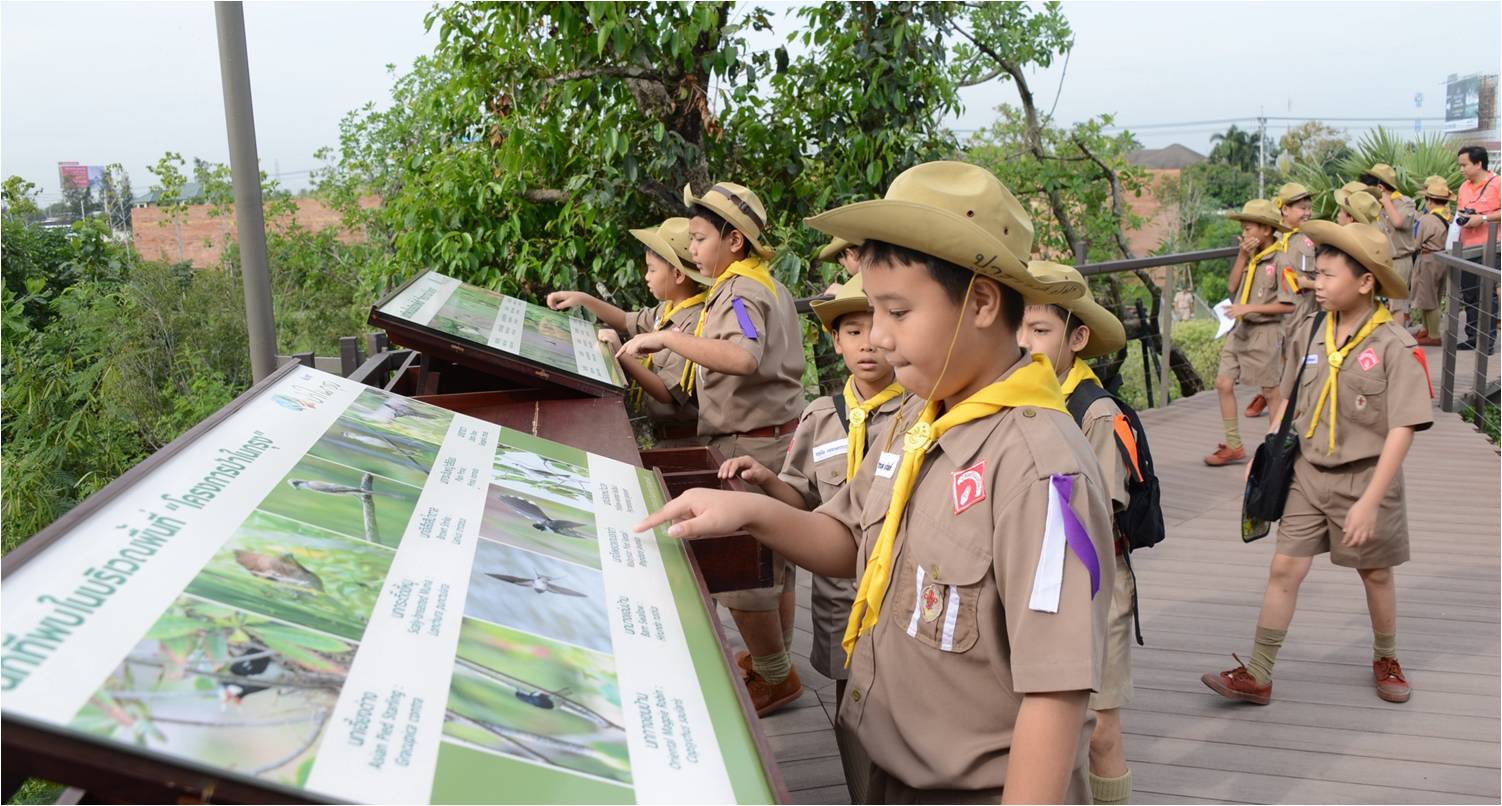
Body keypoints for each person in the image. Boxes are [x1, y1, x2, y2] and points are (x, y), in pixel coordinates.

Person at [636, 161, 1116, 803]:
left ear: (980, 302)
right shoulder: (917, 415)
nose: (881, 339)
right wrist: (749, 515)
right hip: (887, 763)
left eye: (897, 311)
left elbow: (1056, 692)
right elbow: (848, 537)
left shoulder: (1040, 468)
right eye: (870, 313)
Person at [1203, 219, 1432, 707]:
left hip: (1367, 477)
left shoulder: (1394, 345)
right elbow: (1285, 399)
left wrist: (1371, 501)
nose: (1316, 284)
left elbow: (1402, 428)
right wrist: (1265, 453)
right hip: (1307, 473)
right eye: (1317, 274)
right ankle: (1259, 671)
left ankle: (1386, 656)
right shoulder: (1308, 331)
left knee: (1376, 574)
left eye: (1328, 276)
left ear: (1365, 282)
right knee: (1284, 567)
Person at [618, 182, 808, 716]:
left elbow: (743, 359)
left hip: (748, 445)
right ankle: (775, 663)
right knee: (775, 561)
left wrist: (668, 340)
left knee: (745, 570)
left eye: (700, 239)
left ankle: (776, 676)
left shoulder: (741, 291)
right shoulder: (753, 284)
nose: (694, 249)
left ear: (735, 241)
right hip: (770, 437)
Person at [716, 273, 906, 801]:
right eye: (852, 331)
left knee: (908, 707)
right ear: (836, 341)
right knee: (851, 711)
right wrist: (766, 480)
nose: (866, 343)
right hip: (842, 596)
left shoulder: (919, 413)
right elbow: (803, 499)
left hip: (902, 592)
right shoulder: (822, 417)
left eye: (876, 328)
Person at [1016, 261, 1135, 806]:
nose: (1025, 342)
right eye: (1018, 328)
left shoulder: (1096, 412)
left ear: (1078, 337)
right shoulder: (1018, 400)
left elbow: (1096, 510)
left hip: (1092, 584)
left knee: (1100, 727)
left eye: (1040, 331)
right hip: (1039, 582)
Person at [547, 218, 710, 446]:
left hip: (683, 441)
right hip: (661, 435)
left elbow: (666, 393)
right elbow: (625, 321)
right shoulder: (667, 309)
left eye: (652, 269)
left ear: (678, 275)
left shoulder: (696, 322)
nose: (647, 277)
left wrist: (620, 354)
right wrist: (582, 299)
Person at [1206, 199, 1295, 466]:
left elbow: (1289, 305)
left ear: (1266, 230)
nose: (1244, 234)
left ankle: (1275, 452)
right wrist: (1242, 255)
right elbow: (1232, 286)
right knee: (1223, 382)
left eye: (1248, 228)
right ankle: (1234, 445)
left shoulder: (1282, 259)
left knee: (1271, 393)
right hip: (1240, 329)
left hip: (1266, 332)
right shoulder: (1249, 256)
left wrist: (1250, 307)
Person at [1254, 182, 1318, 417]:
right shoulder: (1270, 238)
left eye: (1309, 208)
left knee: (1299, 362)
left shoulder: (1312, 239)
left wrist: (1307, 283)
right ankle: (1275, 405)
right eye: (1302, 208)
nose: (1307, 213)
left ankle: (1297, 411)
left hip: (1301, 314)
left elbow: (1323, 276)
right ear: (1284, 210)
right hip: (1273, 315)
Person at [1358, 164, 1418, 328]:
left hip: (1399, 260)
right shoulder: (1375, 206)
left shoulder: (1405, 203)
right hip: (1379, 260)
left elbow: (1398, 222)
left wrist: (1386, 201)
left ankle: (1398, 340)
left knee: (1397, 305)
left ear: (1380, 187)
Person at [1456, 145, 1500, 349]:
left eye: (1464, 165)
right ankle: (1472, 337)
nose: (1461, 170)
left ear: (1478, 163)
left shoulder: (1497, 182)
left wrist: (1481, 218)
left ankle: (1487, 340)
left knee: (1487, 292)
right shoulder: (1463, 187)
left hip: (1491, 247)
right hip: (1467, 247)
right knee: (1470, 293)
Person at [1410, 177, 1455, 346]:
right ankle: (1428, 331)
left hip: (1428, 259)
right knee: (1434, 296)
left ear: (1429, 201)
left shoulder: (1427, 219)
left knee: (1428, 299)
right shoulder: (1448, 216)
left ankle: (1434, 335)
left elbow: (1416, 243)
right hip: (1442, 258)